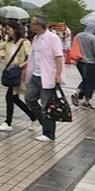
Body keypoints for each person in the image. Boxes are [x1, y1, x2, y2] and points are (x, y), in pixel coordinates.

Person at [24, 14, 65, 142]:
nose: (30, 25)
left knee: (46, 105)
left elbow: (59, 56)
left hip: (48, 76)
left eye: (32, 23)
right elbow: (33, 56)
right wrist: (25, 68)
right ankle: (44, 123)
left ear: (39, 25)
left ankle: (49, 133)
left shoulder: (53, 38)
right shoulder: (36, 38)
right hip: (35, 75)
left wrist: (58, 74)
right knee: (29, 99)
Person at [0, 21, 37, 131]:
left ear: (15, 29)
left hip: (19, 73)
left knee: (11, 97)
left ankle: (8, 122)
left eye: (8, 29)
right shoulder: (8, 43)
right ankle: (33, 117)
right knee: (13, 98)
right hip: (11, 73)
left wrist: (21, 66)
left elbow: (30, 57)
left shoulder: (24, 42)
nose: (7, 31)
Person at [71, 21, 95, 110]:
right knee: (90, 82)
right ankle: (86, 102)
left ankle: (77, 93)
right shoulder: (92, 38)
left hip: (79, 62)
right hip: (90, 63)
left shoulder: (78, 35)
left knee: (85, 80)